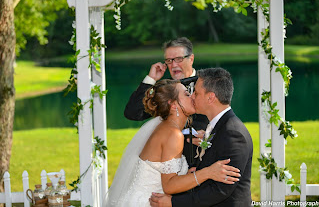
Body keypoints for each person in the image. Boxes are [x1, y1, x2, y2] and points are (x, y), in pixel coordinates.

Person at [105, 79, 241, 207]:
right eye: (187, 94)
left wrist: (187, 175)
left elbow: (164, 173)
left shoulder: (168, 129)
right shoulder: (173, 134)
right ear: (174, 104)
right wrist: (208, 172)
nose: (193, 96)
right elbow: (169, 186)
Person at [149, 68, 253, 207]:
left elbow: (220, 190)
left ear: (210, 97)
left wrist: (173, 202)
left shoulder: (233, 134)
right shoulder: (219, 127)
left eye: (196, 93)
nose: (192, 97)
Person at [124, 37, 209, 165]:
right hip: (168, 164)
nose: (174, 65)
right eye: (169, 60)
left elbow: (221, 117)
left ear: (191, 59)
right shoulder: (164, 90)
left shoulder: (209, 84)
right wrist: (151, 79)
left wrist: (209, 134)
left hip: (202, 162)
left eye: (179, 59)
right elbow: (133, 113)